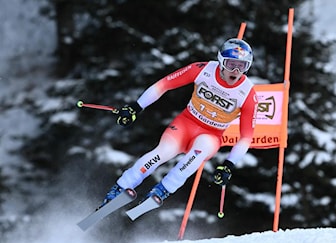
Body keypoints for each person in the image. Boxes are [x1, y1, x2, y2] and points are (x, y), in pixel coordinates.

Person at [98, 38, 258, 209]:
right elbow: (164, 84)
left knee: (197, 154)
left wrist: (228, 164)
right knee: (162, 152)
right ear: (220, 61)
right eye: (230, 64)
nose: (235, 70)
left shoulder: (247, 93)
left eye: (242, 66)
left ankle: (161, 191)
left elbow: (246, 137)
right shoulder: (203, 69)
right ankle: (120, 188)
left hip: (212, 134)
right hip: (185, 124)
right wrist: (136, 107)